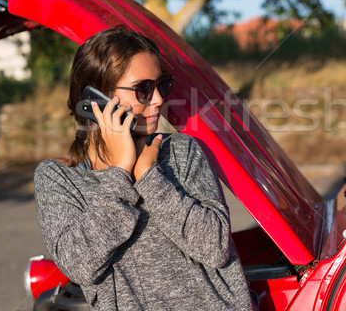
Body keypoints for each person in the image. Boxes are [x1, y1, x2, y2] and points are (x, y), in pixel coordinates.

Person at [34, 26, 255, 310]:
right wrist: (121, 172)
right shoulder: (59, 178)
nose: (159, 99)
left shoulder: (182, 152)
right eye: (143, 89)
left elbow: (215, 247)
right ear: (96, 100)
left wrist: (150, 177)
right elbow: (80, 265)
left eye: (161, 85)